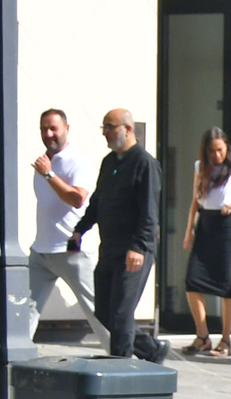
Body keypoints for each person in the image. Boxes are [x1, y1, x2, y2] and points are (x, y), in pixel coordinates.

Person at [72, 108, 168, 363]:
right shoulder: (109, 162)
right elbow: (98, 201)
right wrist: (80, 229)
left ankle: (120, 368)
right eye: (104, 127)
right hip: (110, 248)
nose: (105, 132)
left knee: (122, 314)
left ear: (127, 129)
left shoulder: (145, 163)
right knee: (104, 311)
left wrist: (138, 247)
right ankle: (152, 350)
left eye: (110, 126)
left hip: (134, 250)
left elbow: (150, 213)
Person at [24, 109, 105, 348]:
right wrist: (46, 170)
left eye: (53, 128)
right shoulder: (43, 163)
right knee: (24, 310)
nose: (48, 134)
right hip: (42, 252)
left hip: (73, 251)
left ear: (66, 130)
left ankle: (122, 358)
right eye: (43, 129)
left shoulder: (77, 162)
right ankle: (11, 362)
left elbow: (77, 198)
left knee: (96, 311)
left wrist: (49, 174)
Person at [180, 127, 231, 357]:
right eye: (212, 151)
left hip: (227, 223)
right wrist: (189, 231)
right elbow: (195, 200)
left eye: (220, 150)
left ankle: (226, 339)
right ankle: (202, 335)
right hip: (206, 222)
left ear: (226, 147)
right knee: (192, 281)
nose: (216, 156)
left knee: (227, 283)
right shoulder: (200, 167)